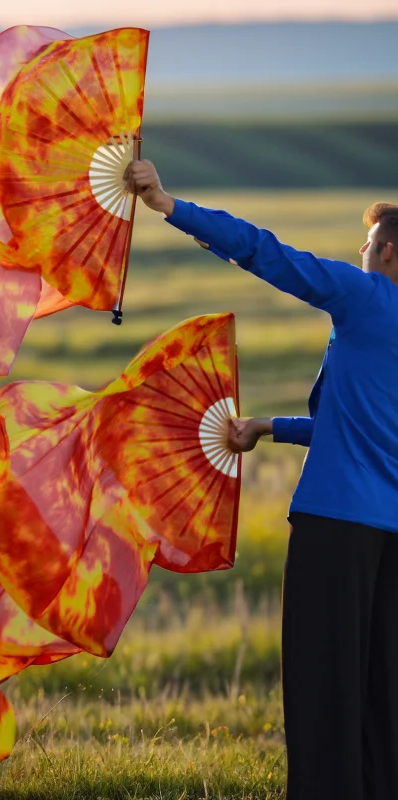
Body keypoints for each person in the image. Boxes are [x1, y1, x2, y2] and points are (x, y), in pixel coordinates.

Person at [126, 158, 398, 800]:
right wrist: (268, 427)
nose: (358, 254)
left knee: (324, 680)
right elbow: (358, 426)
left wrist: (169, 205)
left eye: (365, 246)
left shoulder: (365, 298)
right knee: (383, 689)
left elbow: (267, 253)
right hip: (391, 537)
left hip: (337, 525)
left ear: (387, 253)